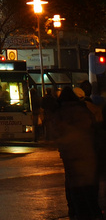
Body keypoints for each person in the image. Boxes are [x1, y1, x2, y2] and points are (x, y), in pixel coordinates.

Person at [47, 85, 102, 220]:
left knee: (75, 190)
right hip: (88, 155)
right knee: (90, 190)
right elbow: (94, 130)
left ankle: (76, 212)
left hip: (70, 157)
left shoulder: (59, 114)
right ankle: (94, 214)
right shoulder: (84, 111)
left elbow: (54, 134)